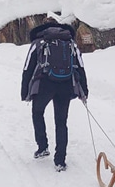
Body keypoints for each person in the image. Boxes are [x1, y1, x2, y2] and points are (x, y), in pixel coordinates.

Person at [21, 20, 88, 172]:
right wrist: (84, 89)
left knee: (37, 112)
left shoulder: (39, 42)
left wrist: (24, 90)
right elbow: (80, 65)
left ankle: (42, 146)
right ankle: (60, 161)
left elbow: (28, 68)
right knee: (61, 121)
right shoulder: (70, 42)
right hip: (65, 85)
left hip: (44, 84)